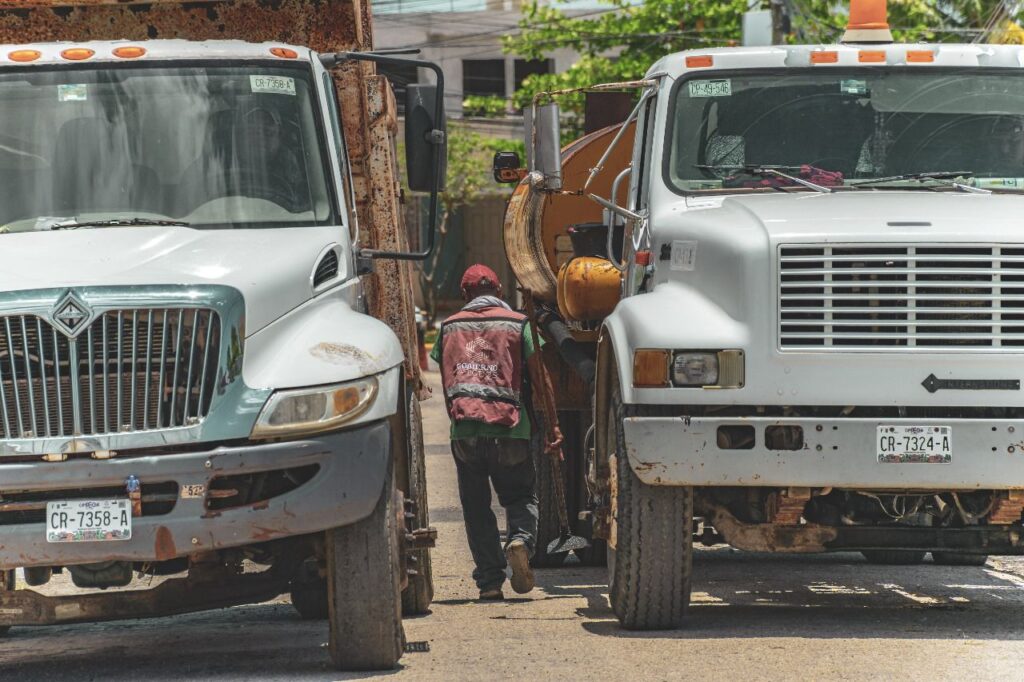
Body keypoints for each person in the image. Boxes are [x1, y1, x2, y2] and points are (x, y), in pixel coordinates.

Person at [430, 264, 562, 601]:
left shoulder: (448, 327)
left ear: (464, 295)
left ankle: (490, 582)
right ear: (500, 292)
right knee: (520, 497)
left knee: (476, 509)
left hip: (466, 433)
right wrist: (554, 427)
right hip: (511, 430)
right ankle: (519, 540)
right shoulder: (518, 324)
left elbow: (442, 370)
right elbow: (540, 377)